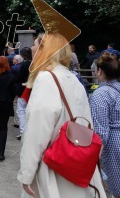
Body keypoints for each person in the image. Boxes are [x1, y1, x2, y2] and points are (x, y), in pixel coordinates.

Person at [18, 33, 105, 198]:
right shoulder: (72, 79)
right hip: (75, 163)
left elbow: (37, 132)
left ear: (46, 50)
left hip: (53, 165)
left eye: (36, 45)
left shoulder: (46, 79)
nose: (32, 49)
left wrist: (26, 173)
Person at [89, 53, 120, 198]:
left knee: (117, 188)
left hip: (114, 145)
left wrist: (93, 157)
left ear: (100, 71)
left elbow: (101, 131)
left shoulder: (100, 94)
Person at [15, 47, 32, 140]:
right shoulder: (34, 63)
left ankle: (23, 132)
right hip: (33, 89)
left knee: (21, 110)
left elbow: (20, 77)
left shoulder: (24, 65)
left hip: (23, 89)